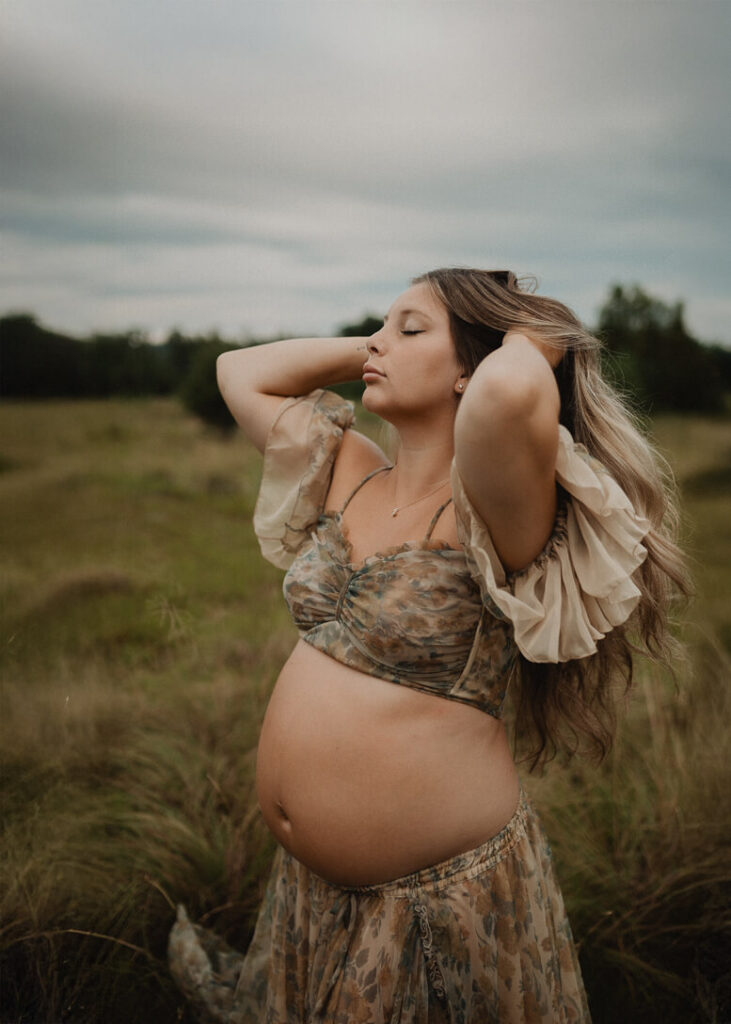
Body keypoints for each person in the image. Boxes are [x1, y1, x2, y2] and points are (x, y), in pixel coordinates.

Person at [168, 268, 690, 1023]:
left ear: (469, 372)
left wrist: (533, 332)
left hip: (433, 909)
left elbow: (507, 396)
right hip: (311, 891)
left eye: (410, 329)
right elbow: (239, 374)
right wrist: (383, 349)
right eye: (379, 327)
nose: (379, 341)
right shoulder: (351, 474)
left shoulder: (494, 503)